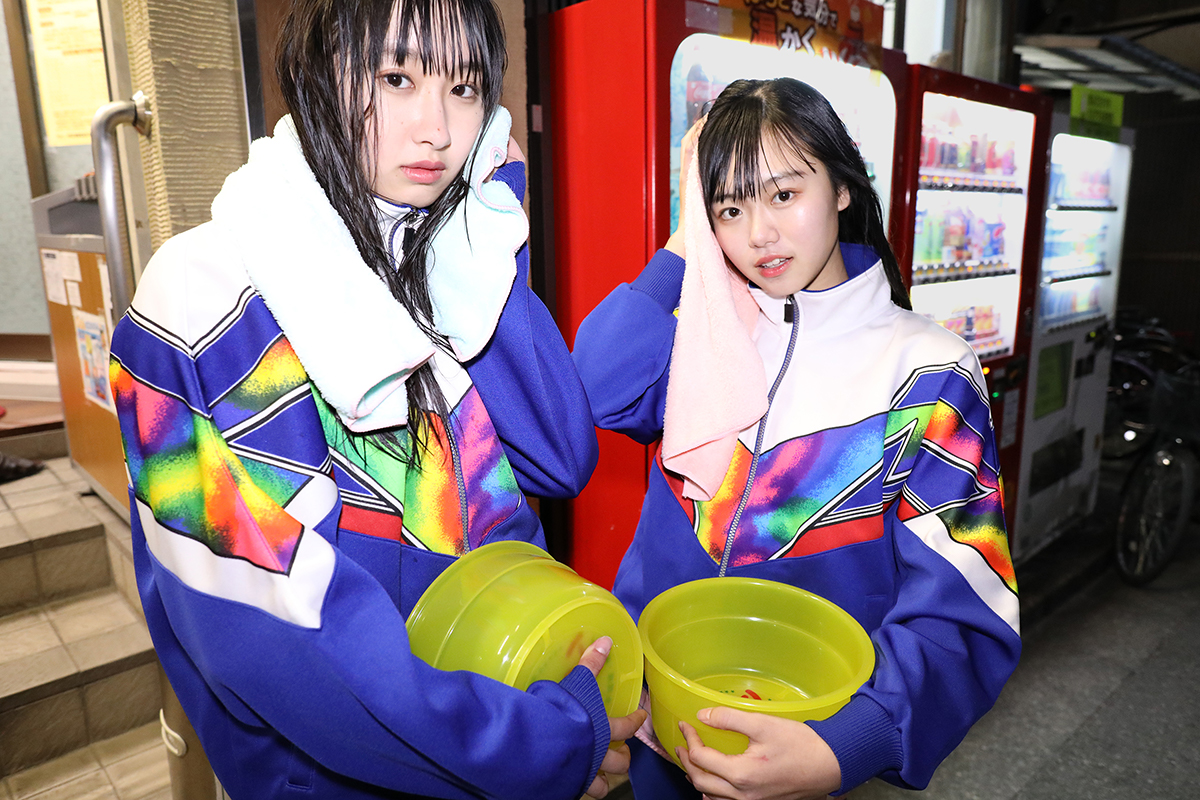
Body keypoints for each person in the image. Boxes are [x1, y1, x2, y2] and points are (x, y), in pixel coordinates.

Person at [108, 0, 642, 797]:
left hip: (495, 717)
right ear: (318, 74)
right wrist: (540, 745)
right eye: (397, 78)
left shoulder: (432, 259)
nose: (438, 130)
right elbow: (281, 637)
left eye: (464, 89)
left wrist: (487, 231)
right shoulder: (200, 297)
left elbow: (558, 456)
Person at [572, 77, 1019, 799]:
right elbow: (595, 386)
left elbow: (964, 611)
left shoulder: (928, 370)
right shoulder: (707, 340)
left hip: (809, 746)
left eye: (784, 194)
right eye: (730, 208)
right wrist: (685, 243)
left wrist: (844, 748)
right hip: (664, 726)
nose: (758, 235)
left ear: (841, 186)